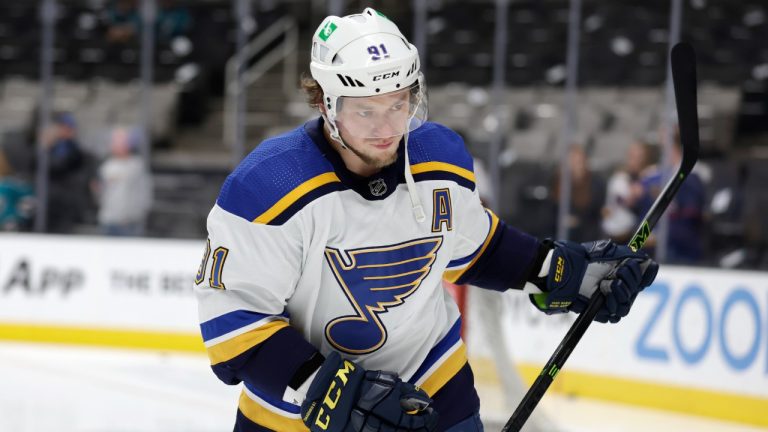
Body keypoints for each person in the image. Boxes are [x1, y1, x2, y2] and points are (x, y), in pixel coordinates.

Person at [193, 9, 658, 432]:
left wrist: (557, 270)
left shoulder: (439, 158)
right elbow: (234, 325)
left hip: (433, 386)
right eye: (366, 111)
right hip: (295, 416)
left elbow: (477, 248)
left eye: (398, 105)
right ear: (325, 105)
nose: (386, 128)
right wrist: (332, 392)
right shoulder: (267, 186)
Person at [93, 127, 153, 236]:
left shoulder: (137, 166)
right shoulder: (106, 166)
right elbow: (100, 193)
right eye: (114, 141)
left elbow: (145, 195)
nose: (115, 144)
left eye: (120, 141)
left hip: (129, 223)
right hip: (108, 221)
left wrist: (135, 216)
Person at [602, 140, 651, 243]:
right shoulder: (620, 179)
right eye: (633, 156)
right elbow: (625, 201)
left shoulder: (650, 178)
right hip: (617, 234)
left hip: (643, 233)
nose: (636, 160)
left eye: (640, 156)